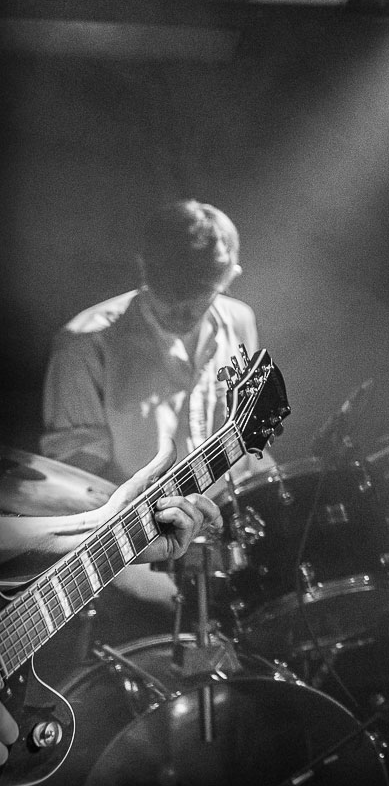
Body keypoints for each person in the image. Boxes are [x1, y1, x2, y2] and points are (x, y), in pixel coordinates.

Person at [40, 199, 254, 648]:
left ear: (229, 275)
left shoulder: (239, 320)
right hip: (131, 550)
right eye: (170, 297)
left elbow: (244, 436)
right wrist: (133, 555)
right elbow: (77, 483)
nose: (184, 313)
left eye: (201, 297)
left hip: (218, 531)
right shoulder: (85, 344)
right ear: (143, 269)